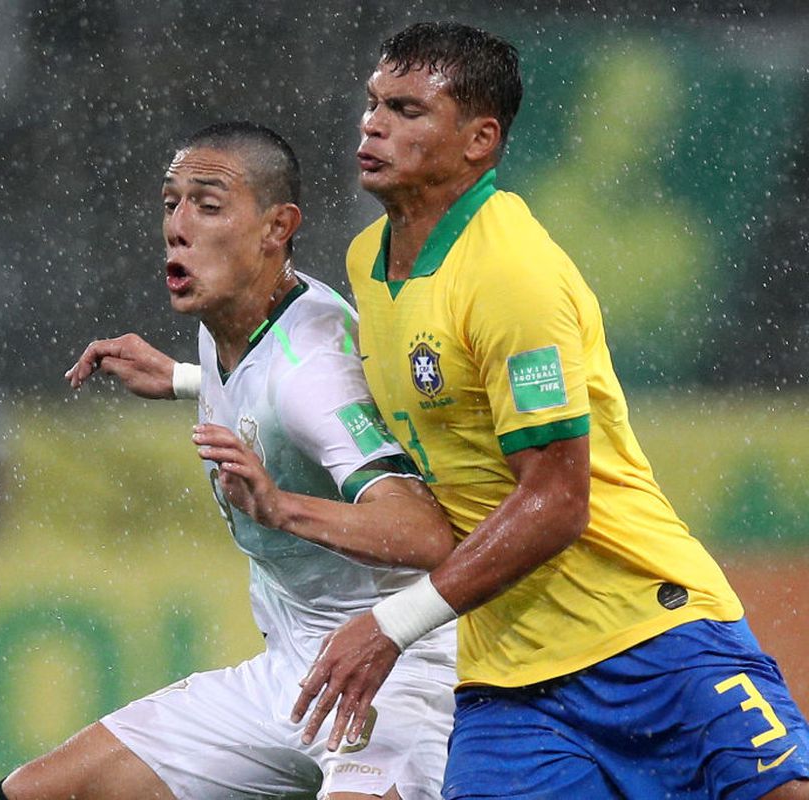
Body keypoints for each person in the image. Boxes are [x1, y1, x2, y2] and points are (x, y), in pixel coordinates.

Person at [282, 21, 809, 800]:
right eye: (372, 104)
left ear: (479, 140)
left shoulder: (509, 273)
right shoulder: (369, 261)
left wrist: (392, 625)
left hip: (647, 635)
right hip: (512, 680)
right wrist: (200, 380)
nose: (374, 123)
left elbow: (558, 501)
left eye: (407, 109)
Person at [0, 121, 458, 800]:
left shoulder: (313, 370)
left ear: (276, 227)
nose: (179, 226)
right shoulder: (238, 320)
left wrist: (282, 508)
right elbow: (263, 386)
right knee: (31, 795)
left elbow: (425, 534)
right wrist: (185, 379)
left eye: (208, 205)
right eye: (171, 202)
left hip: (391, 678)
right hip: (287, 678)